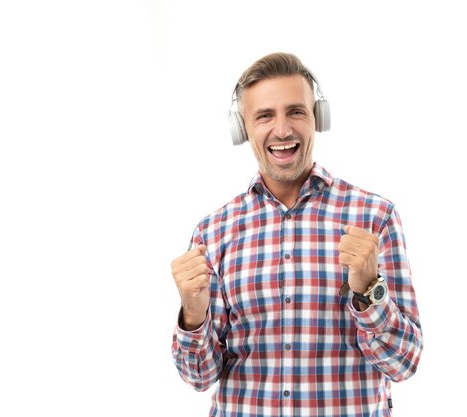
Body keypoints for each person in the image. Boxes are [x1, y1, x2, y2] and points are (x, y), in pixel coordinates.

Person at [171, 52, 423, 416]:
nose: (283, 129)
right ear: (242, 128)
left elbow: (404, 363)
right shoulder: (214, 233)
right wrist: (193, 316)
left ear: (317, 118)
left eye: (296, 112)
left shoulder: (375, 218)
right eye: (264, 116)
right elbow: (198, 376)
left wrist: (370, 290)